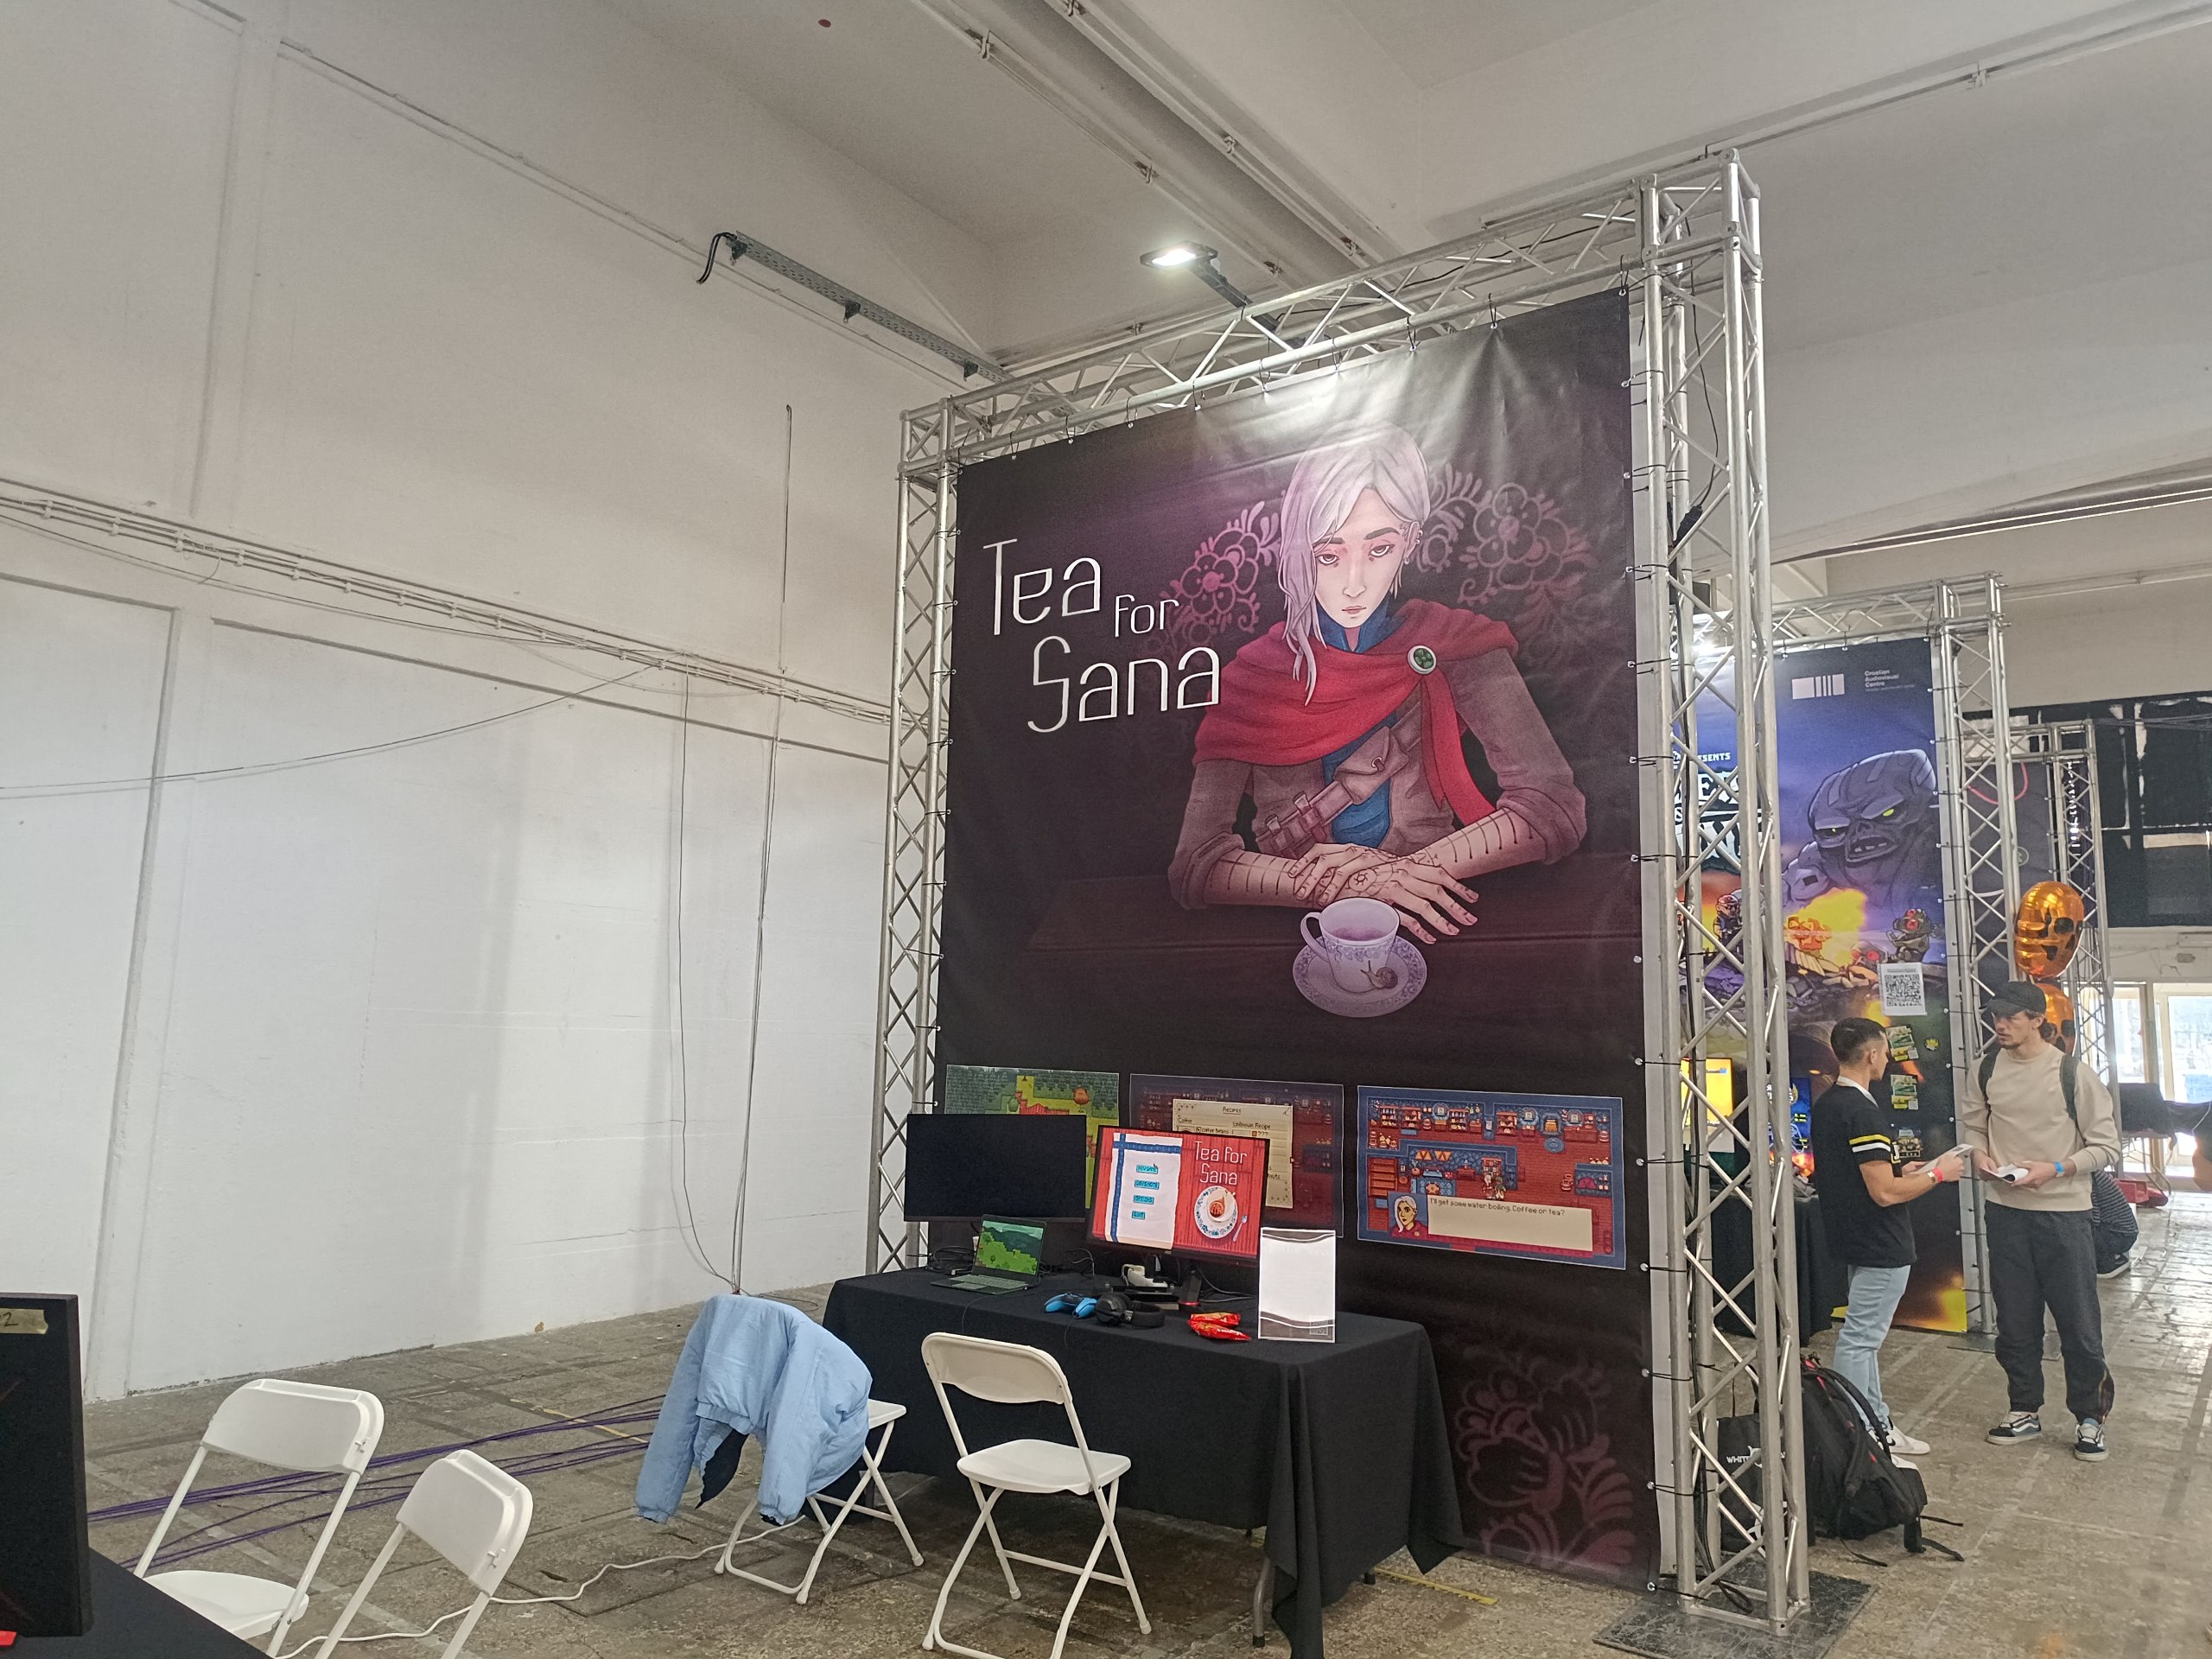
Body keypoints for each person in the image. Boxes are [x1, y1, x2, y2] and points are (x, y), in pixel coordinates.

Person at [1169, 423, 1586, 942]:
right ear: (1301, 550)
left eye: (1379, 548)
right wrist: (1339, 886)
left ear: (1410, 542)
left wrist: (1403, 873)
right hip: (1292, 934)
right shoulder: (1253, 676)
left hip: (1437, 920)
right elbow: (1196, 862)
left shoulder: (1456, 643)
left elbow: (1553, 805)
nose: (1354, 583)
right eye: (1329, 554)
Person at [1959, 981, 2122, 1461]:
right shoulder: (1985, 1068)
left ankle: (2090, 1418)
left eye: (2011, 1017)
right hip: (2005, 1211)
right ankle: (2023, 1409)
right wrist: (1979, 1155)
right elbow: (1973, 1126)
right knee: (2014, 1320)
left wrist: (2055, 1168)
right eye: (1995, 1016)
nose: (2000, 1025)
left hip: (2065, 1215)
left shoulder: (2073, 1074)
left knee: (2078, 1323)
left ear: (2036, 1019)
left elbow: (2107, 1148)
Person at [1810, 1017, 1968, 1460]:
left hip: (1854, 1236)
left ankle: (1877, 1424)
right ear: (1871, 1055)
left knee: (1863, 1338)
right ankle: (1860, 1435)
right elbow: (1884, 1193)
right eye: (1884, 1051)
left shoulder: (1830, 1103)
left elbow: (1862, 1174)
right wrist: (1938, 1174)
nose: (1887, 1059)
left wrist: (1905, 1170)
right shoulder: (1863, 1112)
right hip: (1880, 1241)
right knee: (1860, 1340)